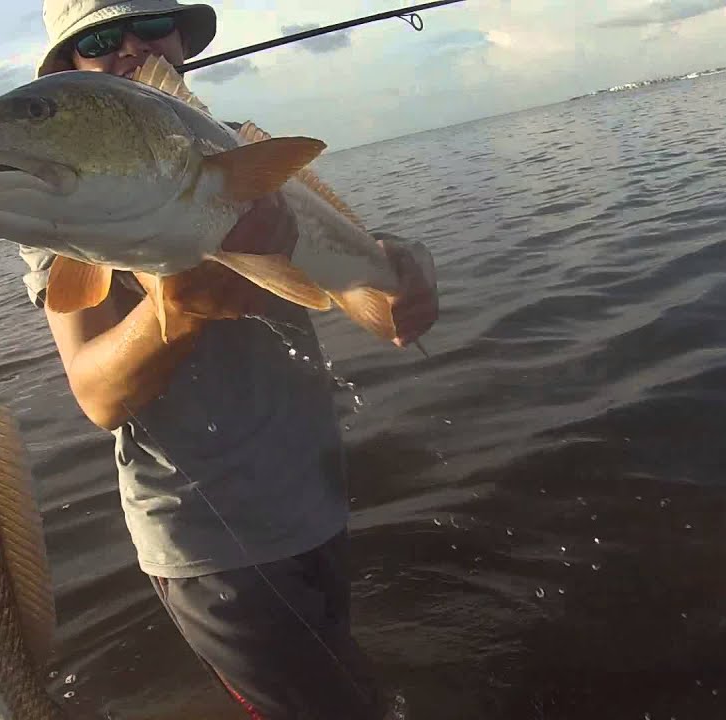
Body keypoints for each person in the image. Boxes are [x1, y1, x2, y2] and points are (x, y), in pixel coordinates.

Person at [23, 1, 439, 718]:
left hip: (315, 500)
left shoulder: (247, 152)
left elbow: (362, 276)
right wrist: (176, 310)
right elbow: (94, 393)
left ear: (180, 36)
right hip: (212, 548)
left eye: (150, 22)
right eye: (97, 37)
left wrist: (406, 268)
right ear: (73, 69)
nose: (128, 46)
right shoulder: (68, 206)